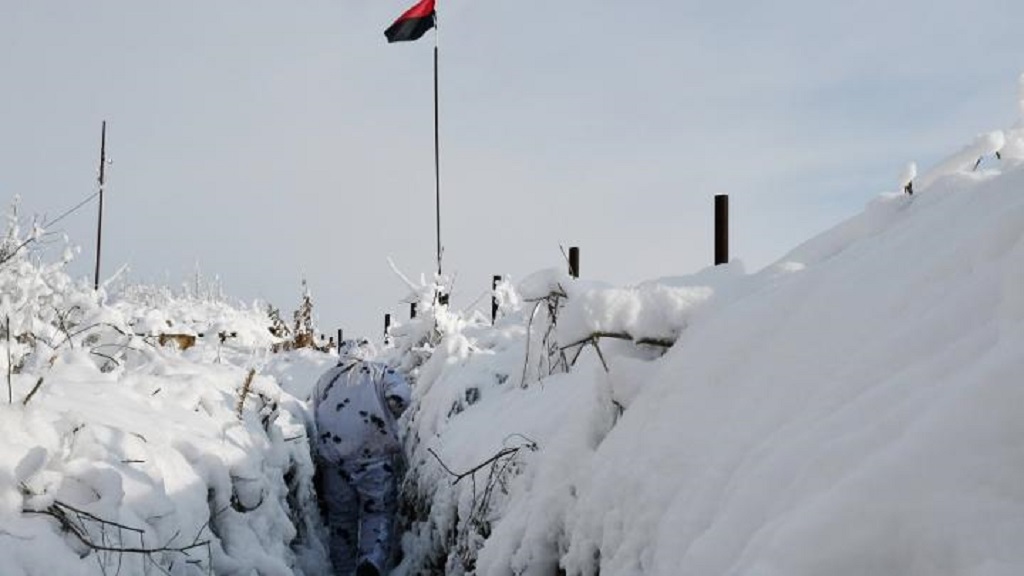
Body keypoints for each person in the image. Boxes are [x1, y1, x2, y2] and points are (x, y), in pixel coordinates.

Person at [311, 339, 411, 576]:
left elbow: (315, 413)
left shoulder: (325, 379)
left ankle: (343, 571)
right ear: (365, 353)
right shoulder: (380, 371)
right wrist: (385, 416)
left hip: (335, 464)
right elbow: (401, 398)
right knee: (376, 513)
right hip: (375, 459)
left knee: (341, 521)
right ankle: (371, 563)